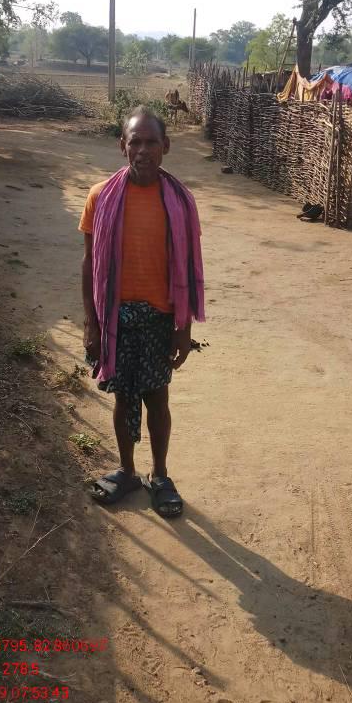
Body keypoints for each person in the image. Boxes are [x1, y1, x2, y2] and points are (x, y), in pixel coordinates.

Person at [79, 105, 205, 517]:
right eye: (136, 141)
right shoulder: (100, 197)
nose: (144, 150)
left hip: (159, 318)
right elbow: (89, 263)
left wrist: (183, 328)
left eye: (152, 142)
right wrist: (92, 323)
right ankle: (127, 470)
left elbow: (187, 266)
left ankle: (160, 475)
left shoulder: (181, 202)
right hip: (115, 318)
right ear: (123, 145)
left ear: (166, 146)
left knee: (157, 398)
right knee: (122, 397)